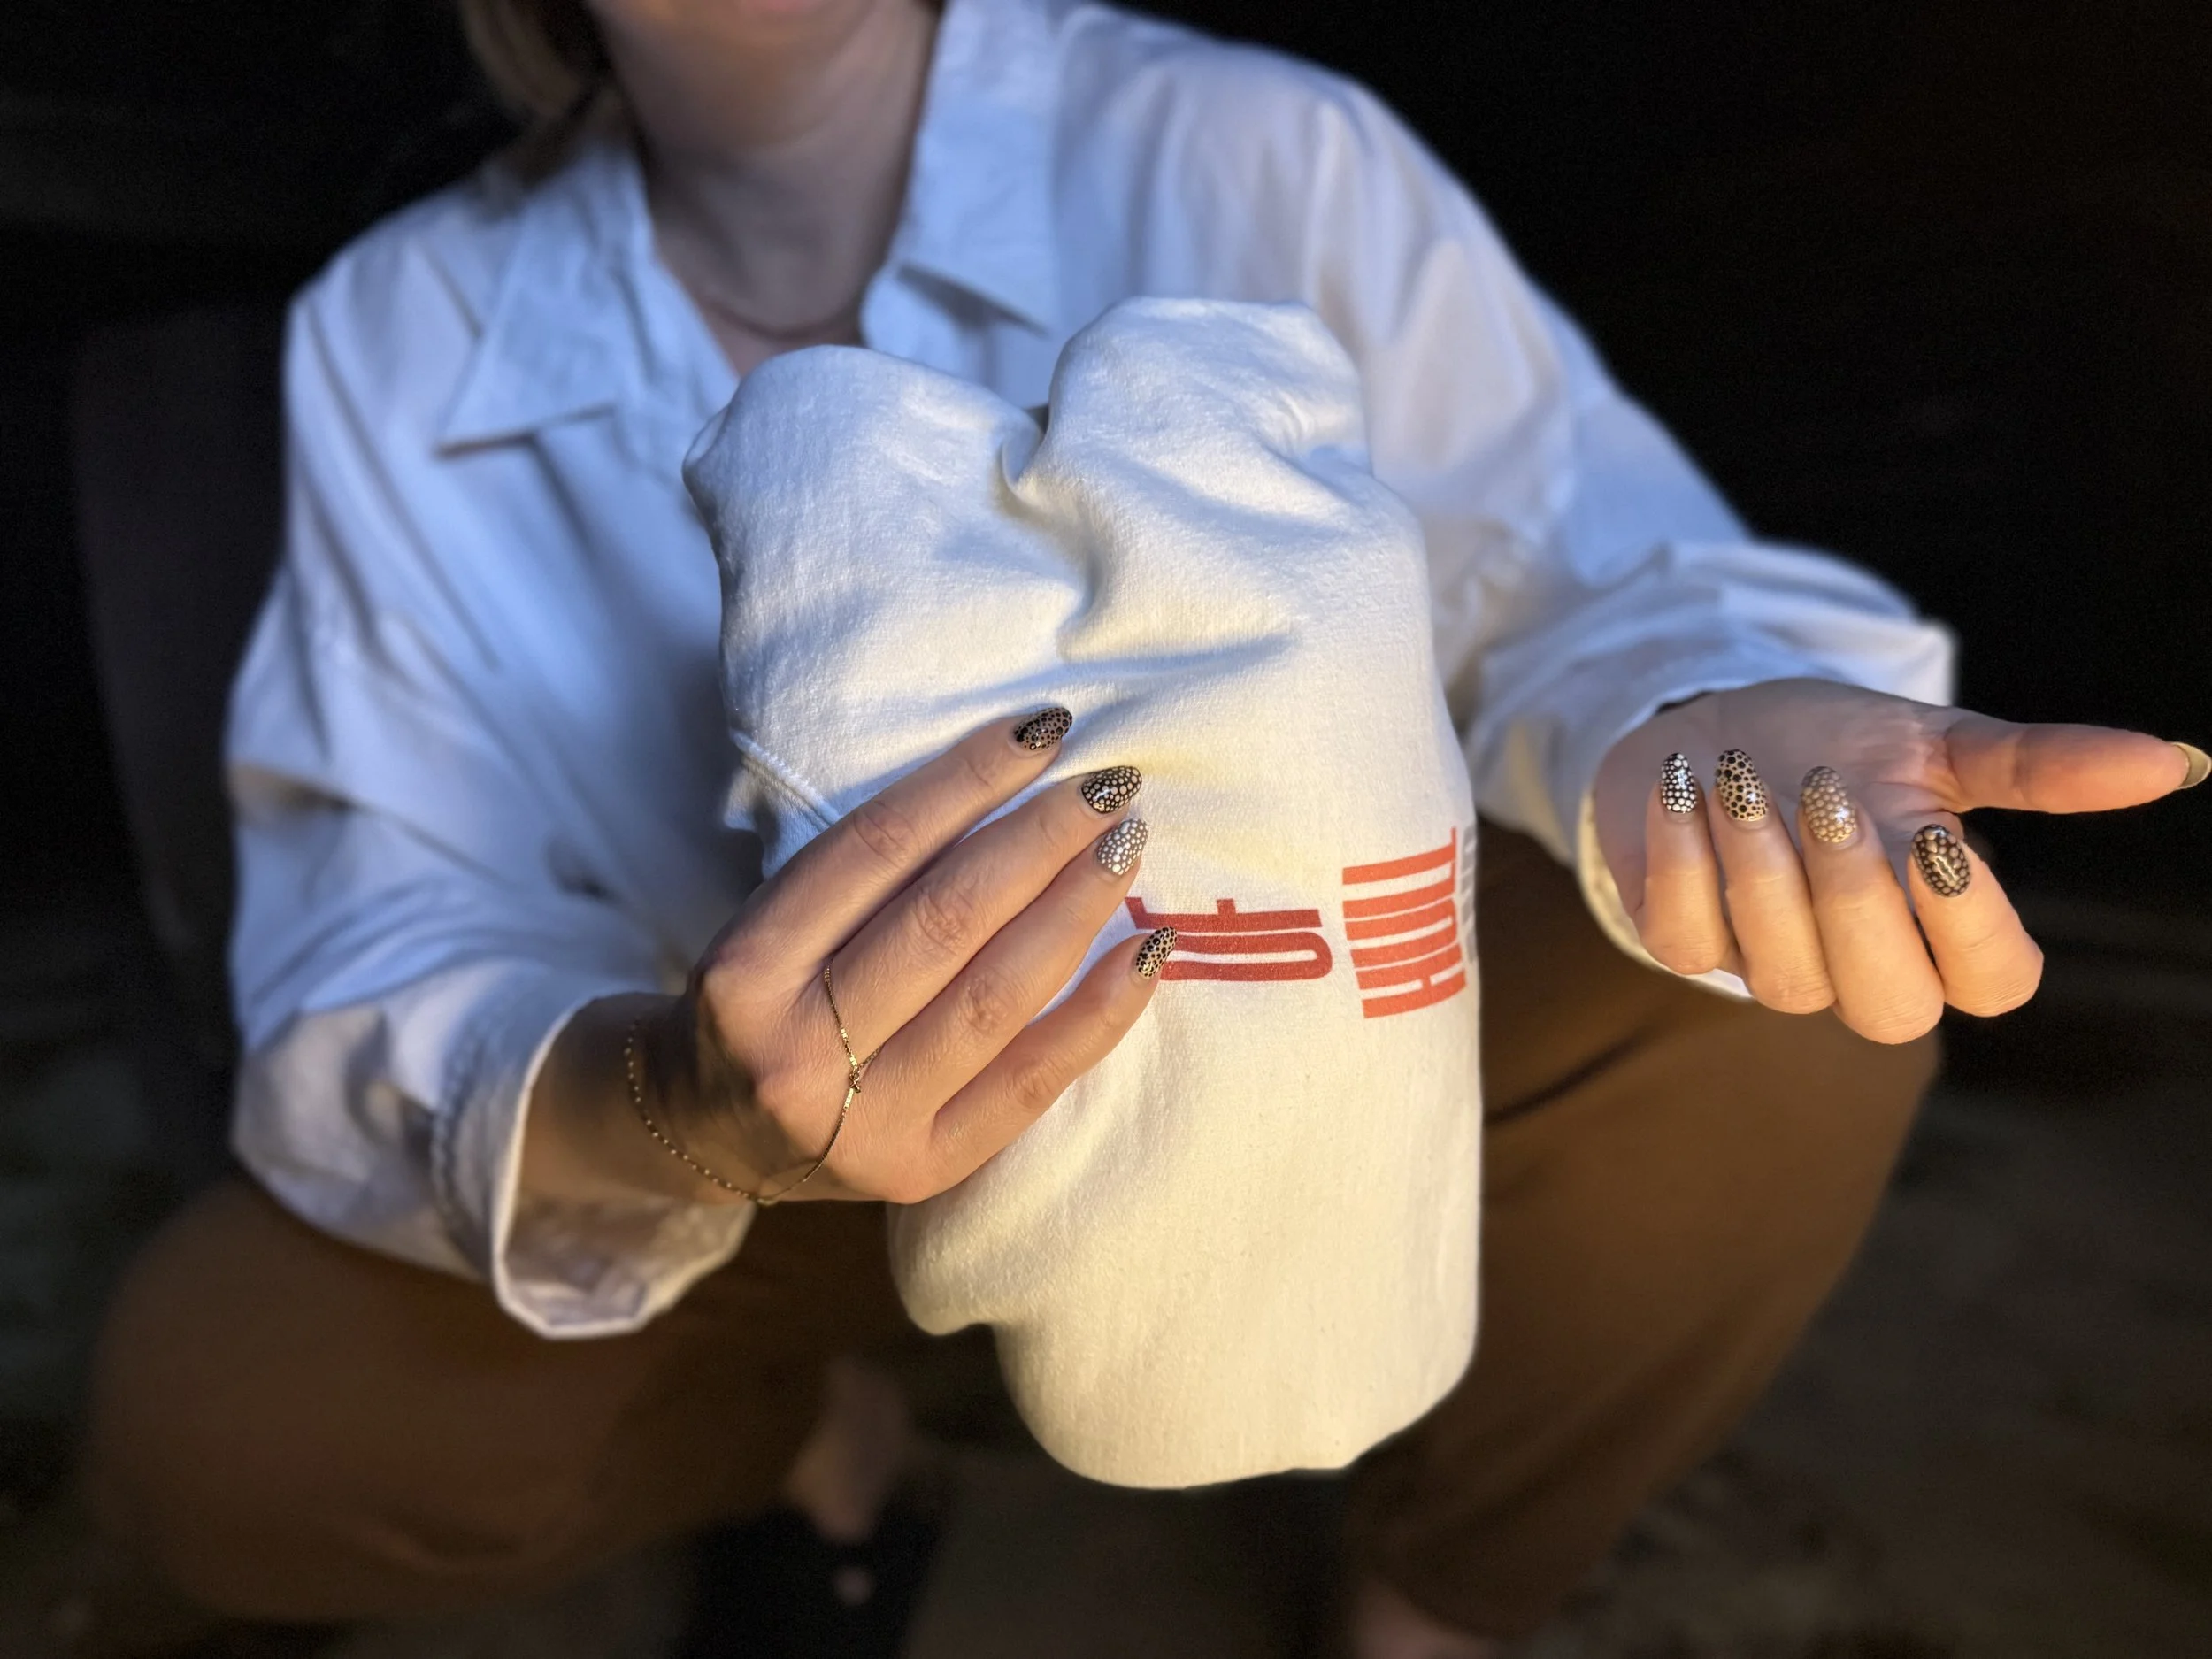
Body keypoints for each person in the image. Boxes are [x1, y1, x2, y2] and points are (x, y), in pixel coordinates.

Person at [75, 0, 2203, 1652]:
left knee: (1775, 963)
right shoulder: (395, 337)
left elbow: (1577, 562)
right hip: (762, 1162)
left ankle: (1440, 1588)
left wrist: (1697, 723)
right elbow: (379, 918)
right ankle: (807, 1440)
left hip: (1291, 1048)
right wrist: (679, 1108)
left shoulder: (1252, 151)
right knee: (230, 1423)